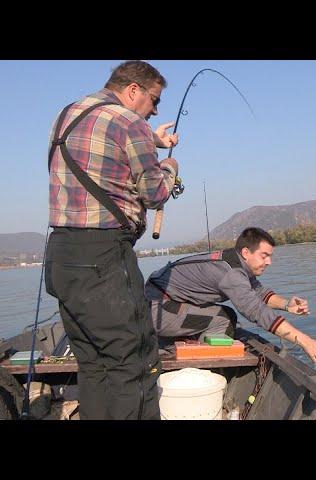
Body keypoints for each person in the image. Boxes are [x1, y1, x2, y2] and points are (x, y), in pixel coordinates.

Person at [44, 60, 180, 420]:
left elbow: (105, 137)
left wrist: (154, 139)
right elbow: (154, 193)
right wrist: (171, 167)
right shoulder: (129, 122)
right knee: (132, 362)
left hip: (61, 258)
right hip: (104, 258)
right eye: (154, 100)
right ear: (133, 90)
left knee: (93, 364)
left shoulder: (67, 116)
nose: (154, 110)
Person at [145, 227, 316, 367]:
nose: (269, 262)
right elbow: (257, 311)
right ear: (246, 253)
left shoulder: (235, 262)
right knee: (223, 321)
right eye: (264, 255)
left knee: (228, 315)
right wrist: (306, 341)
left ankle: (177, 341)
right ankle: (193, 365)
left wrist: (286, 304)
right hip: (157, 308)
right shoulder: (232, 273)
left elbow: (259, 292)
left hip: (164, 300)